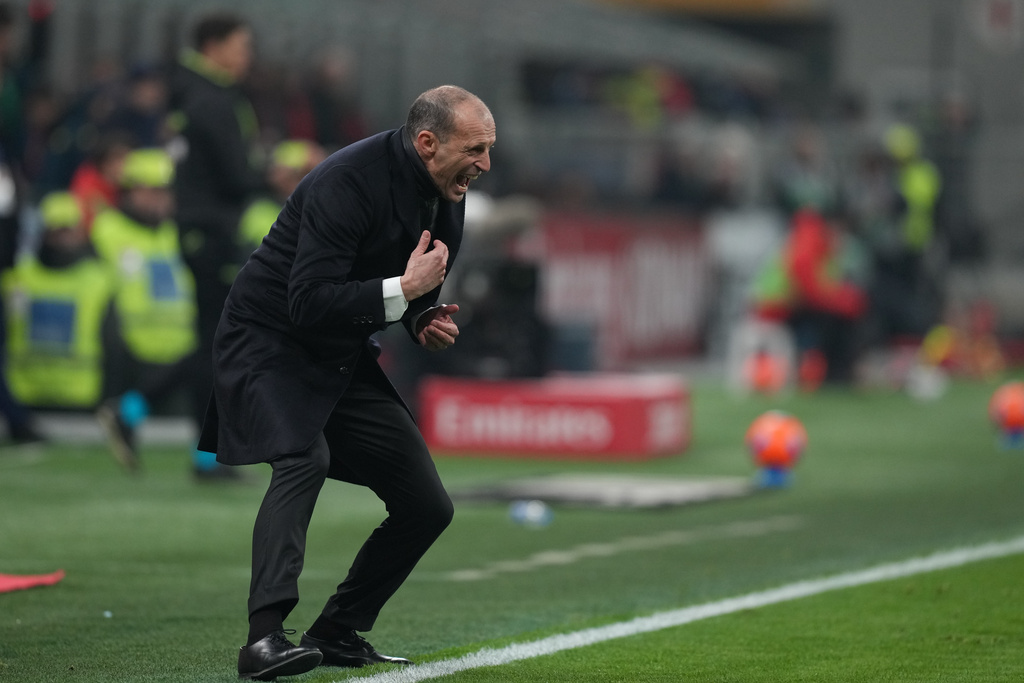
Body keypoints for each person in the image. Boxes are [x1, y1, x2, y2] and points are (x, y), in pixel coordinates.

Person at [197, 85, 494, 680]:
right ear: (427, 143)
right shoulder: (346, 180)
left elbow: (410, 287)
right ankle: (263, 642)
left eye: (490, 149)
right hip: (268, 342)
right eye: (476, 148)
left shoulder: (448, 187)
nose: (486, 164)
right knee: (303, 458)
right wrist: (404, 294)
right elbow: (306, 302)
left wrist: (420, 317)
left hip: (338, 352)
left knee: (427, 506)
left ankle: (336, 630)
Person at [167, 12, 264, 478]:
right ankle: (207, 451)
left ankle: (201, 445)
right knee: (221, 342)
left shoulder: (193, 93)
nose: (247, 57)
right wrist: (276, 174)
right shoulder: (211, 99)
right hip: (212, 230)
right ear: (214, 47)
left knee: (214, 338)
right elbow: (236, 176)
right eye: (241, 47)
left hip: (199, 228)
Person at [91, 148, 198, 473]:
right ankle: (208, 463)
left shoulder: (176, 230)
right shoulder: (106, 229)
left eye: (166, 191)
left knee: (207, 380)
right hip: (127, 344)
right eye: (152, 191)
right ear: (130, 190)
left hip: (178, 340)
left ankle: (207, 460)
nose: (160, 200)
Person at [1, 191, 112, 412]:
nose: (62, 238)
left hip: (81, 398)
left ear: (82, 232)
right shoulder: (15, 279)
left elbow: (113, 347)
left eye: (68, 229)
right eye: (56, 230)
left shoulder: (100, 281)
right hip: (22, 396)